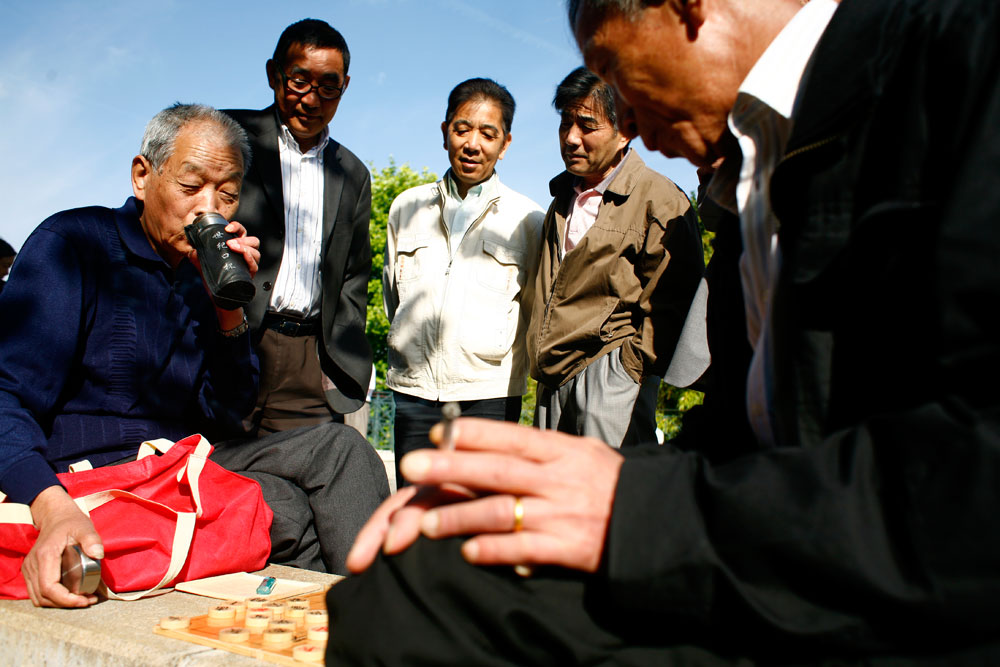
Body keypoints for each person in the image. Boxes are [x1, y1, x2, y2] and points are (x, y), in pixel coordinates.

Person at [325, 0, 1000, 663]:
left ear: (688, 8)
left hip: (880, 594)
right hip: (765, 546)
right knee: (414, 583)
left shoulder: (963, 60)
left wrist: (635, 504)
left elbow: (962, 495)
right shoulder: (749, 172)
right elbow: (749, 435)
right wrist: (542, 486)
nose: (632, 127)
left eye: (617, 80)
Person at [0, 104, 388, 608]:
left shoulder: (199, 272)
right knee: (288, 511)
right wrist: (50, 507)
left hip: (184, 463)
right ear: (143, 176)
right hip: (97, 473)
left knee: (341, 449)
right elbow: (7, 396)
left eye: (227, 196)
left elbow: (227, 413)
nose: (210, 209)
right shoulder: (75, 244)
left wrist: (228, 309)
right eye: (191, 188)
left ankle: (377, 621)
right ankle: (370, 626)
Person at [528, 66, 704, 447]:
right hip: (551, 379)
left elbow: (675, 306)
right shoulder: (560, 202)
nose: (571, 138)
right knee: (556, 499)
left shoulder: (662, 200)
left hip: (610, 377)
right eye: (565, 123)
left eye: (587, 126)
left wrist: (627, 369)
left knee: (611, 497)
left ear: (625, 130)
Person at [382, 78, 544, 484]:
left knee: (479, 515)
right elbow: (393, 296)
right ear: (445, 133)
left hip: (489, 392)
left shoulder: (528, 219)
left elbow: (532, 309)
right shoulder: (407, 207)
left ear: (505, 144)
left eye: (488, 134)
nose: (473, 144)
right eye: (462, 129)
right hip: (415, 390)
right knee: (414, 511)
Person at [224, 19, 373, 435]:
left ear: (344, 86)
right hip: (229, 346)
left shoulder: (354, 174)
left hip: (309, 365)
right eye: (299, 81)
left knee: (309, 481)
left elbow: (352, 276)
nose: (312, 99)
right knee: (215, 480)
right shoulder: (230, 137)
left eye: (329, 86)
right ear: (275, 75)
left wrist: (338, 354)